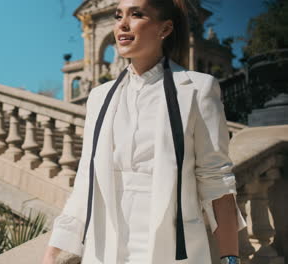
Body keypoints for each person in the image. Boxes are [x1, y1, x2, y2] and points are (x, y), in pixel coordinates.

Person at [42, 0, 246, 263]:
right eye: (118, 16)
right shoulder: (99, 98)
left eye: (136, 14)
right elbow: (85, 182)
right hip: (106, 251)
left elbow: (217, 183)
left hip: (171, 250)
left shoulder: (197, 89)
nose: (122, 25)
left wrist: (231, 258)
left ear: (165, 29)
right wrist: (51, 254)